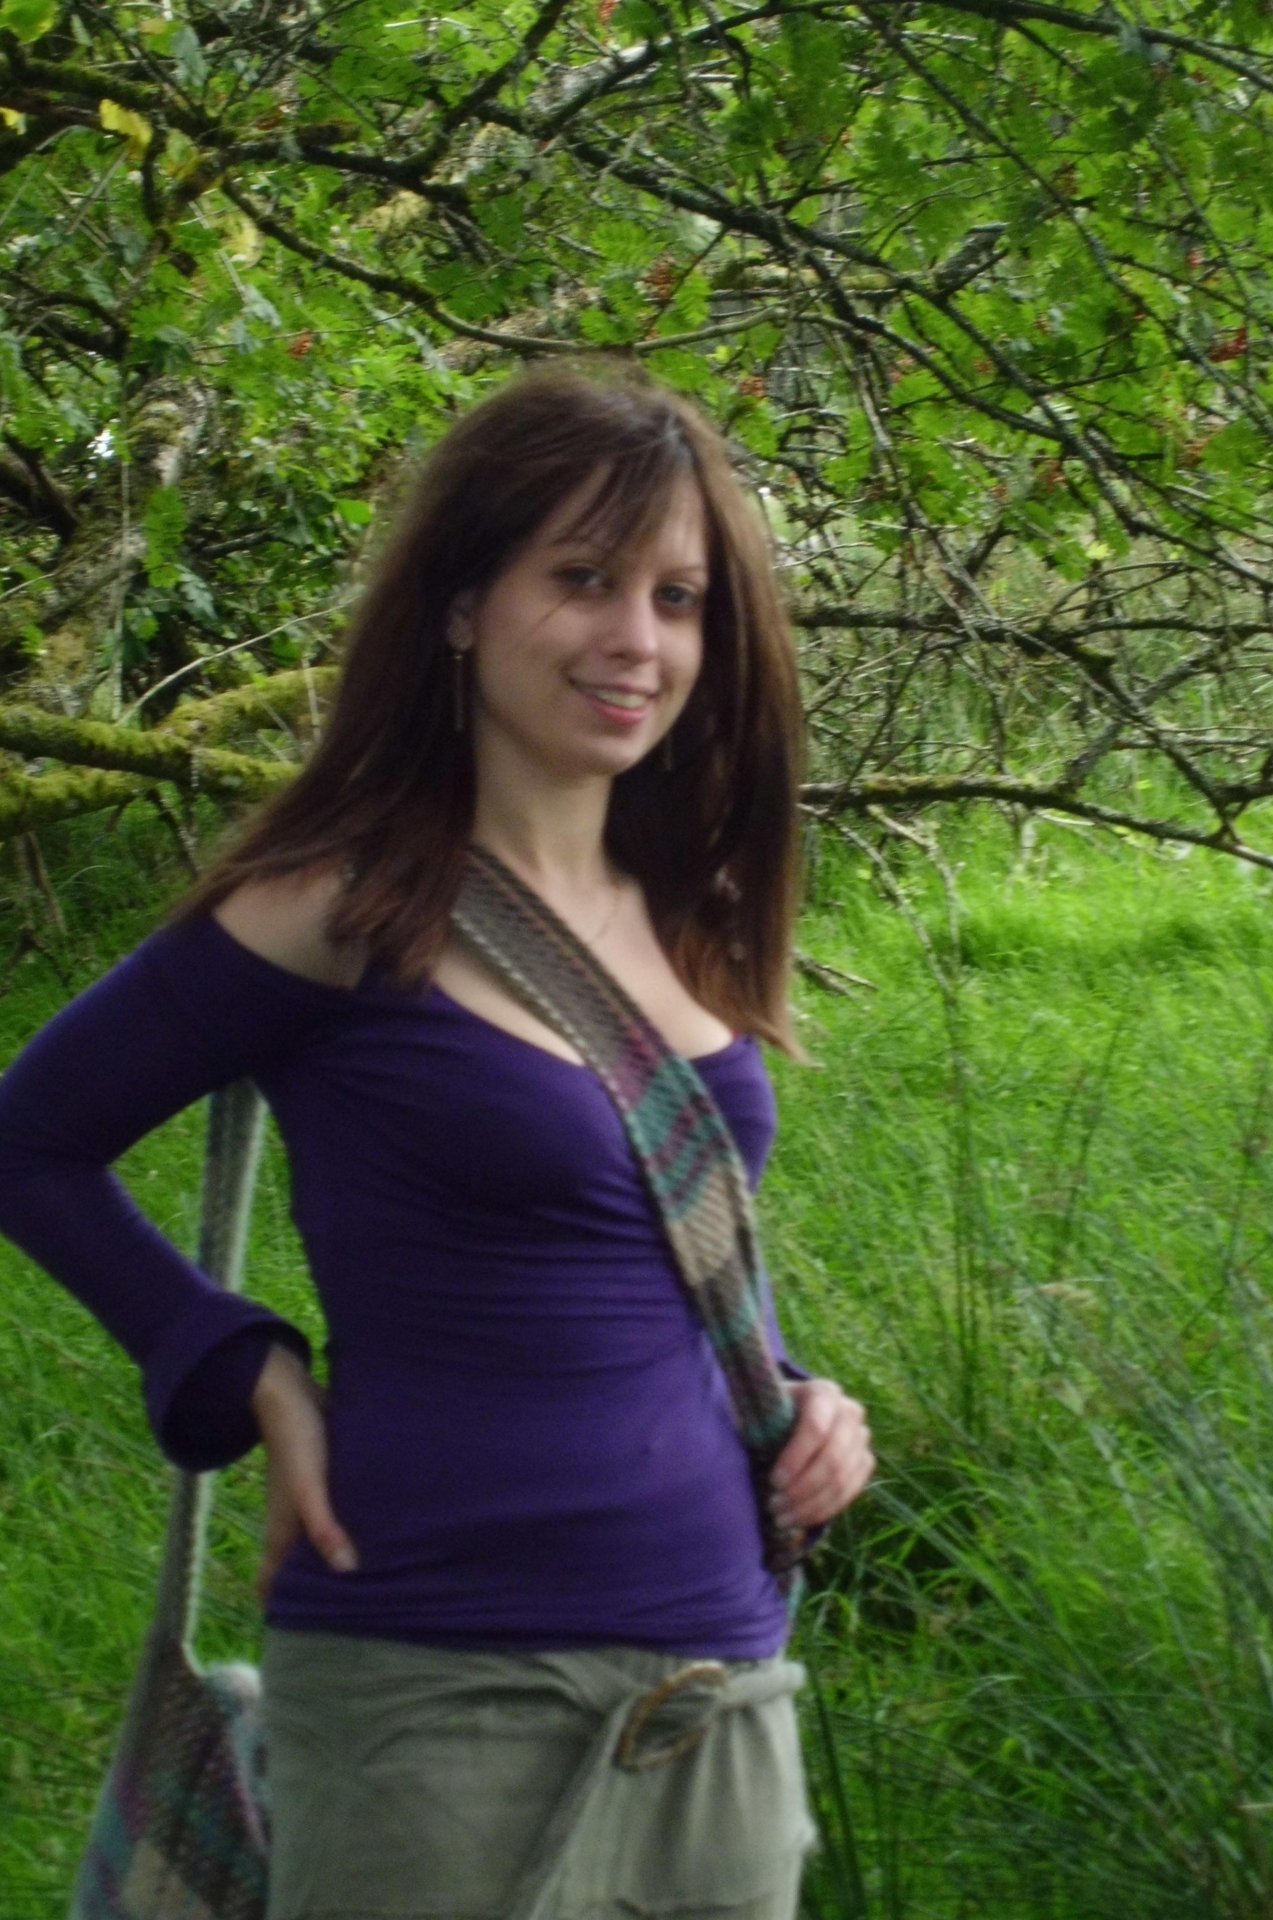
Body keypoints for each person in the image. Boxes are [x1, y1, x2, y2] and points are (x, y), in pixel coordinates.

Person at [0, 363, 874, 1920]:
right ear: (464, 602)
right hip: (433, 1677)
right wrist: (241, 1365)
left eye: (677, 598)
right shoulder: (342, 904)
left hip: (718, 1677)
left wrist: (800, 1394)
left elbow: (644, 1252)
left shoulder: (693, 914)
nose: (637, 639)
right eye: (583, 579)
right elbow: (28, 1141)